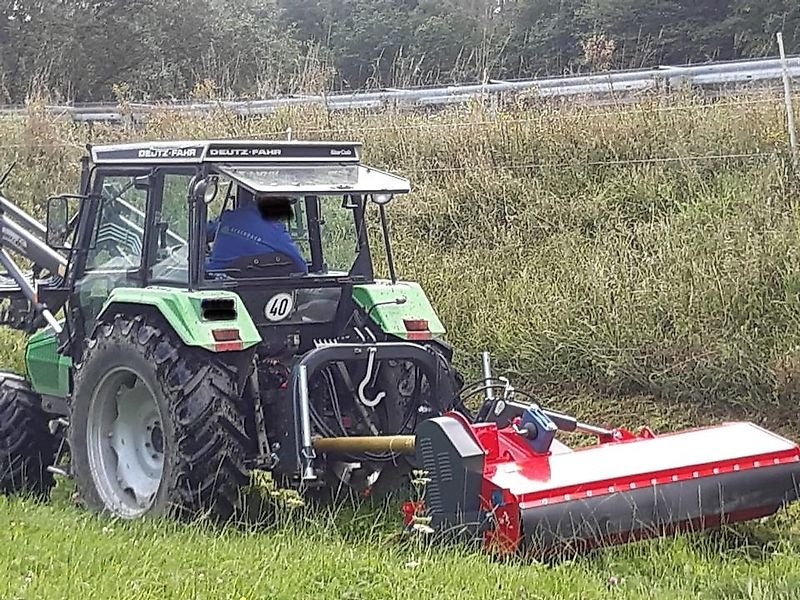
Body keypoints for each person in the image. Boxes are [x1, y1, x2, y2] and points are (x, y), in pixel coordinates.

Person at [205, 191, 308, 274]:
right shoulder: (277, 234)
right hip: (261, 292)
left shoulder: (227, 218)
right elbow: (302, 267)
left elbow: (202, 232)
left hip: (215, 283)